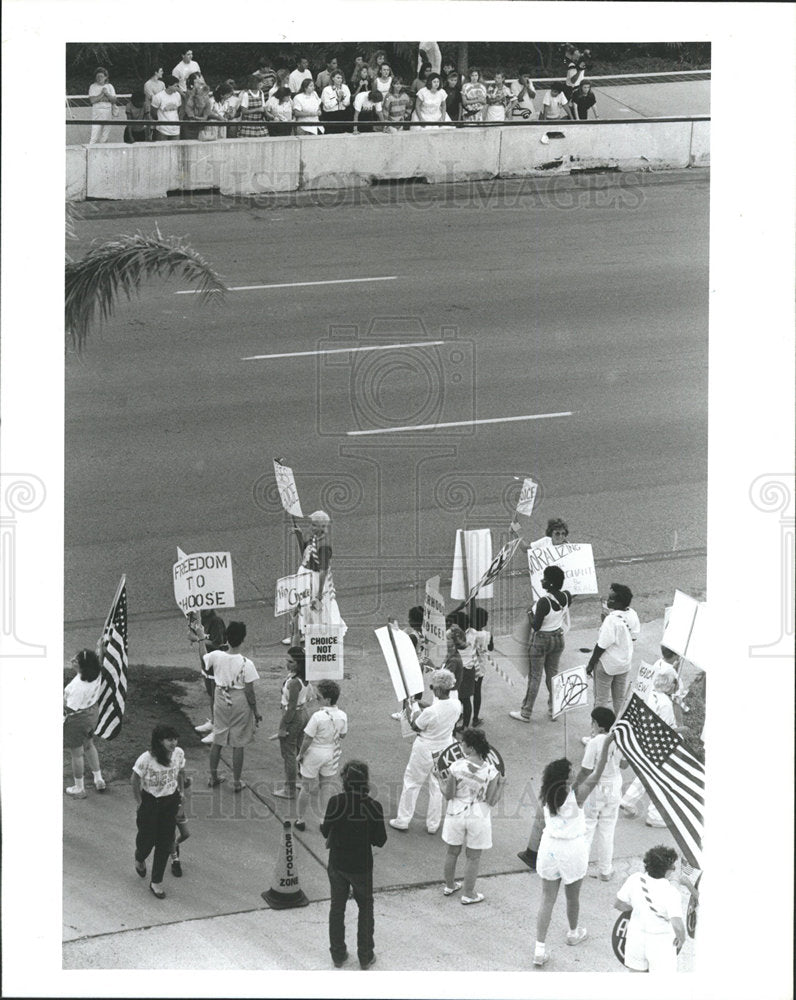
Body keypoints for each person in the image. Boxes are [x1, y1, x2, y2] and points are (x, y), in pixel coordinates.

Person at [532, 744, 613, 967]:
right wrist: (606, 744)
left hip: (549, 848)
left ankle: (539, 949)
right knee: (572, 896)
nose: (575, 771)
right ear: (567, 777)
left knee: (547, 899)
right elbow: (597, 772)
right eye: (571, 770)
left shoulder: (546, 795)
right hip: (572, 849)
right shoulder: (577, 796)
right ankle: (573, 932)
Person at [321, 760, 386, 970]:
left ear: (344, 780)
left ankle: (338, 954)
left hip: (338, 863)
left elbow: (325, 830)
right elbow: (380, 840)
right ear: (365, 781)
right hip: (361, 865)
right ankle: (365, 956)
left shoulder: (335, 802)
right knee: (365, 907)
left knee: (337, 907)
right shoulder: (374, 806)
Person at [389, 668, 461, 834]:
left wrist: (410, 707)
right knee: (437, 785)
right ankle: (433, 824)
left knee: (412, 782)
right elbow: (440, 710)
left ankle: (403, 819)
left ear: (438, 690)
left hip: (425, 747)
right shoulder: (456, 704)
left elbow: (416, 725)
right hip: (445, 747)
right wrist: (423, 706)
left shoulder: (430, 712)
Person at [440, 728, 504, 905]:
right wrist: (501, 785)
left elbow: (449, 795)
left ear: (472, 748)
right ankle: (469, 893)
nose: (461, 745)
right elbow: (491, 800)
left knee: (452, 852)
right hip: (479, 815)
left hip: (456, 812)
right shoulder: (492, 771)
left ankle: (449, 885)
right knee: (473, 857)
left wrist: (440, 782)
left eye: (464, 743)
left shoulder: (456, 766)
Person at [509, 565, 572, 723]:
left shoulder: (544, 602)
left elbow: (536, 626)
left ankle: (526, 712)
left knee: (535, 677)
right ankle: (554, 710)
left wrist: (530, 613)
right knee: (553, 676)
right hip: (558, 638)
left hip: (542, 640)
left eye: (544, 579)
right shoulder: (566, 596)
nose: (542, 581)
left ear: (550, 583)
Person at [205, 621, 262, 792]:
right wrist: (255, 712)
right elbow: (250, 692)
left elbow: (203, 658)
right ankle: (237, 782)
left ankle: (213, 777)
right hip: (239, 700)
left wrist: (200, 640)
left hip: (221, 698)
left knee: (218, 738)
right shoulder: (247, 663)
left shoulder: (216, 656)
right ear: (243, 639)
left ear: (226, 637)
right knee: (238, 742)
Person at [619, 665, 678, 826]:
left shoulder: (648, 693)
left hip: (643, 739)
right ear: (669, 684)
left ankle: (628, 800)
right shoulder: (665, 704)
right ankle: (655, 815)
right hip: (658, 744)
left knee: (647, 773)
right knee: (660, 779)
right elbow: (665, 728)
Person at [131, 724, 185, 899]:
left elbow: (181, 772)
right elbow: (134, 779)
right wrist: (140, 802)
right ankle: (140, 858)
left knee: (165, 842)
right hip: (150, 802)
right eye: (169, 740)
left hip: (170, 802)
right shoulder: (146, 759)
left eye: (175, 739)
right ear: (160, 741)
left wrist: (181, 792)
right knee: (146, 842)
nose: (173, 743)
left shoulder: (178, 753)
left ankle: (156, 882)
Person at [614, 845, 686, 972]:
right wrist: (681, 939)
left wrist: (637, 909)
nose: (674, 869)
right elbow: (678, 926)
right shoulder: (671, 893)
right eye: (673, 867)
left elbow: (618, 904)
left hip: (635, 938)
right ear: (666, 871)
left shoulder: (635, 879)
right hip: (660, 943)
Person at [577, 706, 623, 880]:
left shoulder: (595, 742)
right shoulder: (619, 739)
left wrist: (576, 787)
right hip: (614, 785)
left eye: (593, 722)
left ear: (598, 724)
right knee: (607, 830)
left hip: (596, 785)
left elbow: (586, 770)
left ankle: (579, 869)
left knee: (587, 827)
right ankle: (605, 870)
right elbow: (624, 764)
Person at [295, 679, 347, 830]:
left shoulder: (317, 716)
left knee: (306, 787)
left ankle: (300, 819)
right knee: (326, 788)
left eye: (319, 697)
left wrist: (300, 754)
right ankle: (323, 820)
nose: (316, 699)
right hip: (331, 752)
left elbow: (307, 738)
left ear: (327, 700)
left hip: (314, 752)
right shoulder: (342, 715)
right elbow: (343, 735)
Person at [585, 583, 641, 714]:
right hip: (624, 665)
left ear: (619, 603)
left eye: (611, 599)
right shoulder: (632, 614)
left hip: (607, 666)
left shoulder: (611, 620)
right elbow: (633, 637)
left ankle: (597, 727)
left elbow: (601, 645)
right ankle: (619, 724)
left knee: (601, 700)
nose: (608, 601)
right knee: (619, 699)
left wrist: (591, 664)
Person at [63, 649, 106, 797]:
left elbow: (69, 708)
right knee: (89, 745)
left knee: (77, 753)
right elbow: (98, 655)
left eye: (76, 660)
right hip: (92, 713)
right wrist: (101, 645)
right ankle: (98, 778)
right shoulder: (97, 673)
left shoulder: (78, 687)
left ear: (83, 666)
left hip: (77, 719)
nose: (72, 660)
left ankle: (79, 788)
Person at [274, 647, 313, 799]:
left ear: (299, 664)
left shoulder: (295, 682)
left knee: (288, 754)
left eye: (291, 662)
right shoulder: (303, 677)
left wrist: (282, 727)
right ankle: (303, 781)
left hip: (294, 716)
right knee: (299, 748)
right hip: (303, 713)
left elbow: (290, 708)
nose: (287, 664)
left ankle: (289, 789)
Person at [190, 608, 228, 742]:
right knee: (211, 695)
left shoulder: (216, 621)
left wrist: (198, 639)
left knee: (217, 697)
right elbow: (192, 632)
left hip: (216, 663)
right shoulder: (198, 618)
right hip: (206, 662)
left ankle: (219, 729)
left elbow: (217, 644)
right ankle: (213, 722)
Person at [468, 606, 494, 726]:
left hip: (468, 665)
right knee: (477, 691)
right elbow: (491, 648)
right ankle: (475, 718)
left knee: (465, 692)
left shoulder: (468, 633)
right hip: (480, 666)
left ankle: (463, 713)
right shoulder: (487, 635)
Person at [88, 68, 118, 144]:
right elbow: (92, 100)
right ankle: (91, 150)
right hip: (97, 114)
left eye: (101, 76)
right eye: (97, 76)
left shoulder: (110, 86)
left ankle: (102, 150)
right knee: (94, 136)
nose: (99, 78)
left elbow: (114, 100)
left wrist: (106, 93)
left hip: (108, 113)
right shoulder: (93, 86)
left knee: (105, 136)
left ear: (105, 77)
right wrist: (102, 94)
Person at [150, 77, 182, 141]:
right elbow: (153, 112)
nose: (177, 88)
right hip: (162, 130)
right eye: (175, 86)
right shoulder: (158, 97)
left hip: (175, 130)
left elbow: (178, 109)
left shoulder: (177, 95)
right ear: (169, 86)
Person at [319, 70, 352, 134]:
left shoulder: (345, 88)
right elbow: (327, 105)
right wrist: (337, 100)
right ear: (333, 78)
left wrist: (342, 98)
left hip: (343, 114)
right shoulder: (326, 90)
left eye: (341, 78)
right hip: (330, 116)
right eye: (338, 78)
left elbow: (347, 103)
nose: (340, 80)